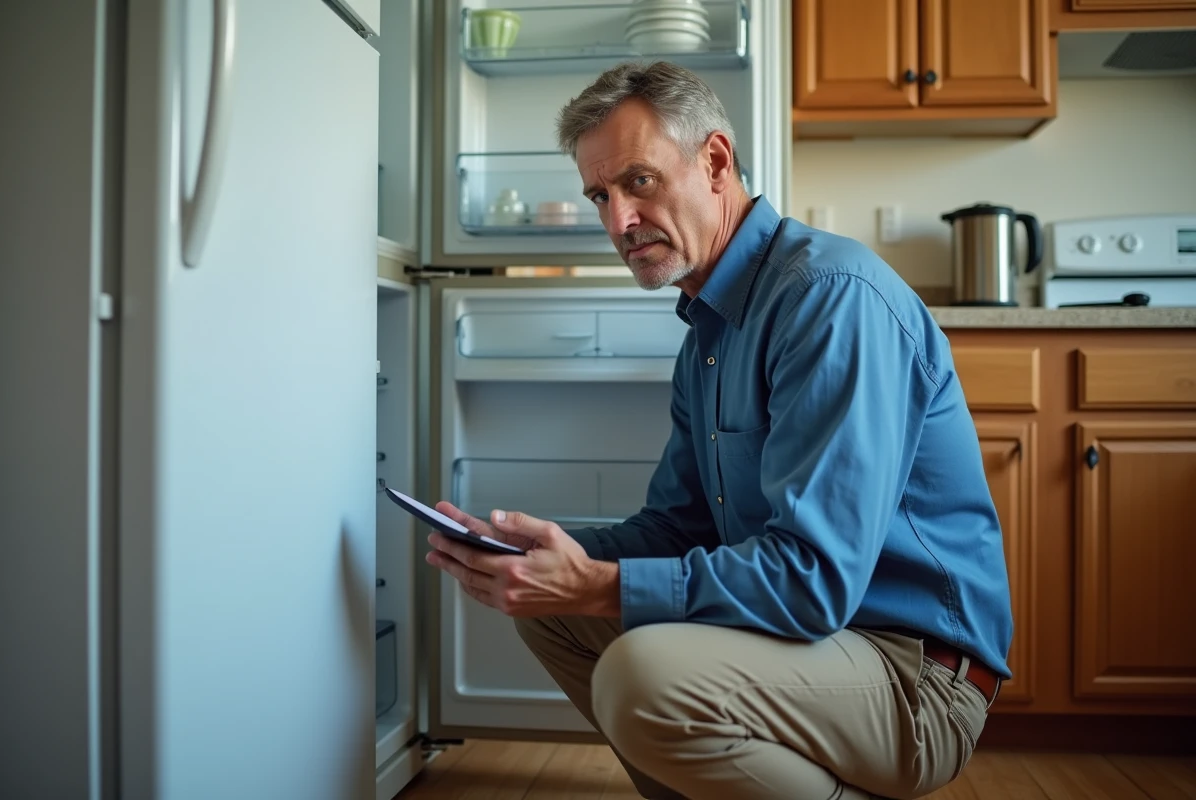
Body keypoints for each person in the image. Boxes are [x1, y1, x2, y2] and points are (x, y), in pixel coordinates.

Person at [425, 61, 1013, 800]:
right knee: (554, 617)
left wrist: (598, 584)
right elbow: (678, 528)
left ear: (714, 161)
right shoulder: (708, 332)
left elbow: (814, 579)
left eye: (639, 181)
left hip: (911, 672)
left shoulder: (830, 298)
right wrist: (548, 556)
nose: (618, 222)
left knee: (642, 675)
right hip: (806, 643)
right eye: (601, 196)